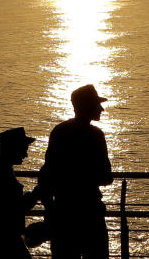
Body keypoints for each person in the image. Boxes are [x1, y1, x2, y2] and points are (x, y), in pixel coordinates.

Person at [38, 85, 113, 259]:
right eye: (97, 104)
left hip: (63, 214)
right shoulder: (96, 135)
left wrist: (50, 209)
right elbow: (106, 176)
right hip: (90, 215)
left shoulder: (58, 132)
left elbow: (47, 173)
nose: (101, 108)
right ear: (87, 106)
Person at [0, 127, 41, 258]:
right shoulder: (1, 172)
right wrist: (36, 194)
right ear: (14, 148)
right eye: (24, 149)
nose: (26, 155)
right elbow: (15, 207)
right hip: (3, 241)